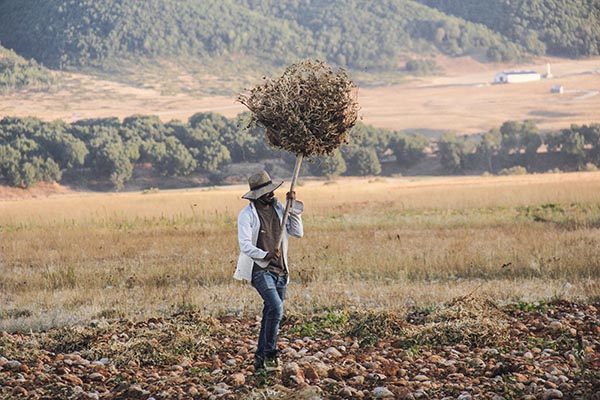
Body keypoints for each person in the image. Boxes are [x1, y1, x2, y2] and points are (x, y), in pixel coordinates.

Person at [234, 170, 304, 372]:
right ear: (257, 195)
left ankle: (260, 358)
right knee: (276, 307)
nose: (271, 195)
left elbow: (297, 232)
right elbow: (245, 245)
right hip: (260, 269)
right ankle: (271, 354)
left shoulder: (279, 208)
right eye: (266, 192)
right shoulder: (247, 215)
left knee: (270, 313)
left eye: (271, 191)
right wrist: (265, 254)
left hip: (280, 270)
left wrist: (292, 208)